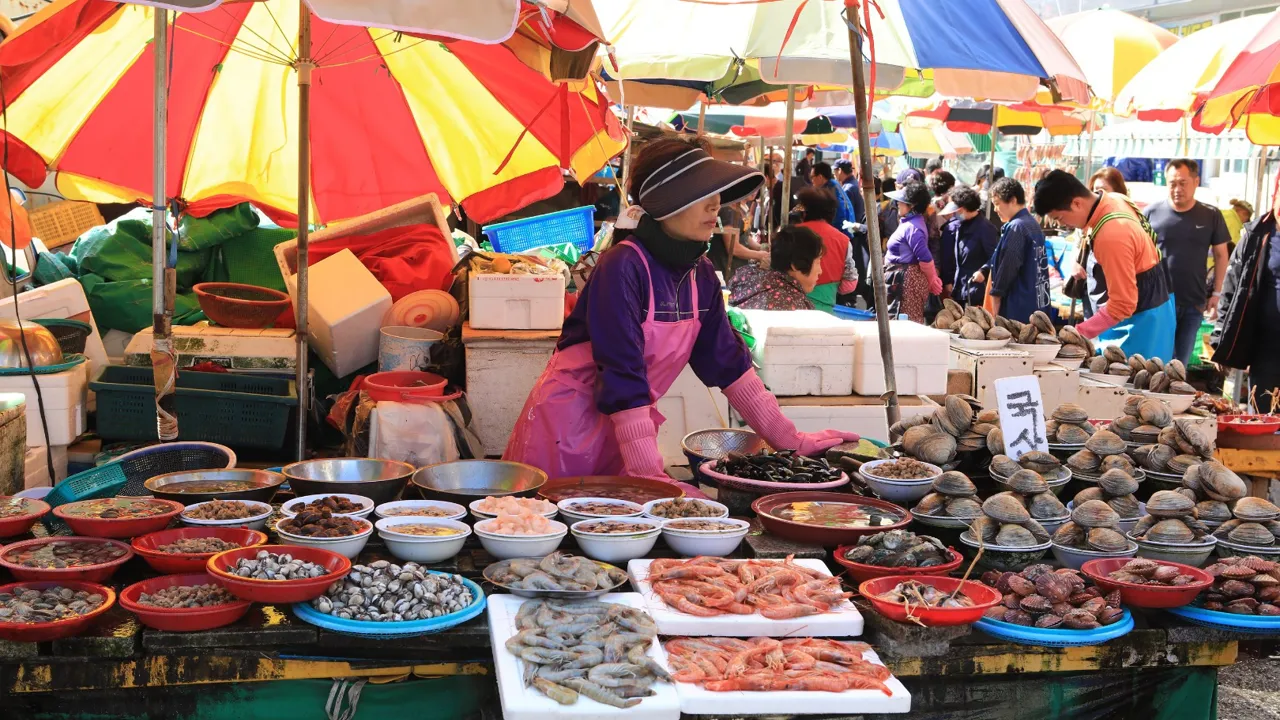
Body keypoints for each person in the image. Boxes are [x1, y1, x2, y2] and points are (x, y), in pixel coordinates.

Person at [503, 137, 857, 492]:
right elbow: (621, 370)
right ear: (664, 202)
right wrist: (649, 475)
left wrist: (789, 440)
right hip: (566, 430)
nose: (716, 203)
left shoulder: (699, 273)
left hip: (626, 432)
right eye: (701, 192)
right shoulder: (623, 267)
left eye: (716, 192)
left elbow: (729, 364)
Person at [1033, 169, 1175, 361]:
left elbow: (1123, 305)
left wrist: (1077, 333)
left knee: (1134, 385)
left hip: (1141, 322)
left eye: (1060, 218)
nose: (1065, 225)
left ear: (1076, 203)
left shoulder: (1111, 234)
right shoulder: (1115, 198)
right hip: (1161, 305)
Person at [1144, 159, 1231, 366]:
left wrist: (1218, 293)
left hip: (1194, 301)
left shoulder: (1211, 215)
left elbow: (1221, 255)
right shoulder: (1150, 213)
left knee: (1180, 364)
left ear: (1196, 181)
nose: (1177, 189)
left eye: (1183, 183)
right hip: (1158, 301)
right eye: (1172, 183)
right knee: (1157, 362)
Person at [1212, 185, 1280, 407]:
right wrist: (1221, 337)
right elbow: (1232, 288)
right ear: (1274, 198)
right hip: (1266, 348)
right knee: (1262, 416)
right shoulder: (1257, 235)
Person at [981, 178, 1050, 323]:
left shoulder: (1017, 227)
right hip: (1035, 305)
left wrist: (996, 295)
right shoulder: (1032, 224)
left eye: (997, 204)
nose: (995, 209)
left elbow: (1009, 265)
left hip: (1017, 307)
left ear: (1012, 200)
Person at [883, 181, 943, 323]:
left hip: (907, 284)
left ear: (913, 206)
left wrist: (932, 278)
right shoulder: (910, 223)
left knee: (907, 327)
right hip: (901, 282)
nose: (897, 203)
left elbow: (925, 257)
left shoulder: (913, 228)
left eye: (902, 202)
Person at [728, 226, 824, 311]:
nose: (820, 271)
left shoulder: (745, 276)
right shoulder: (794, 307)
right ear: (795, 265)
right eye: (818, 262)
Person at [796, 187, 859, 311]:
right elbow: (849, 284)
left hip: (791, 306)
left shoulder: (790, 234)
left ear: (805, 212)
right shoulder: (843, 240)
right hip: (826, 310)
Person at [938, 185, 999, 308]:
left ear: (964, 209)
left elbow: (996, 256)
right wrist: (950, 280)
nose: (955, 214)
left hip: (976, 292)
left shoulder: (985, 228)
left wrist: (984, 271)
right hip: (960, 289)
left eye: (957, 211)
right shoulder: (960, 225)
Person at [835, 159, 872, 309]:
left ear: (839, 170)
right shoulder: (851, 186)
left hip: (852, 235)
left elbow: (846, 214)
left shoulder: (849, 188)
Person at [709, 190, 769, 281]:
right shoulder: (728, 211)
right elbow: (733, 248)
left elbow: (744, 236)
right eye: (749, 187)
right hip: (725, 267)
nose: (754, 191)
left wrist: (760, 248)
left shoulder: (743, 208)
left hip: (738, 266)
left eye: (756, 188)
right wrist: (759, 255)